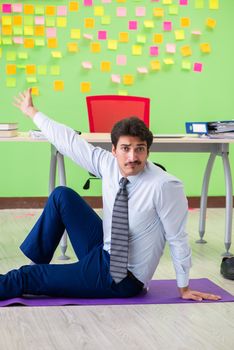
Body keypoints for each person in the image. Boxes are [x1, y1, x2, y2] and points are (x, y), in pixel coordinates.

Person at [0, 89, 221, 301]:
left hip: (121, 277)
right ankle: (36, 266)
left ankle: (30, 276)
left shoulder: (165, 186)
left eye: (140, 149)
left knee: (25, 278)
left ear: (148, 151)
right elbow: (68, 141)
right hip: (104, 251)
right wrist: (32, 112)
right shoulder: (108, 164)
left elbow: (177, 238)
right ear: (114, 150)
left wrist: (184, 287)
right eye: (126, 148)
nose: (132, 157)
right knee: (62, 197)